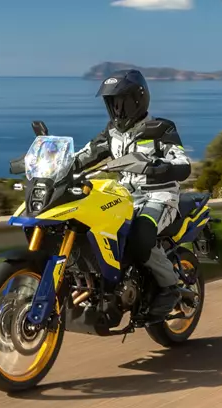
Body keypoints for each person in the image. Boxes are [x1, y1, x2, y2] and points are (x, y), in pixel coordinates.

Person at [74, 69, 192, 324]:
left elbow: (183, 163)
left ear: (137, 99)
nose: (115, 109)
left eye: (120, 102)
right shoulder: (111, 134)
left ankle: (170, 288)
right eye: (111, 103)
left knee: (140, 235)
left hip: (160, 197)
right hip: (124, 197)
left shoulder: (161, 128)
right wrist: (55, 167)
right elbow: (82, 156)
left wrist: (163, 168)